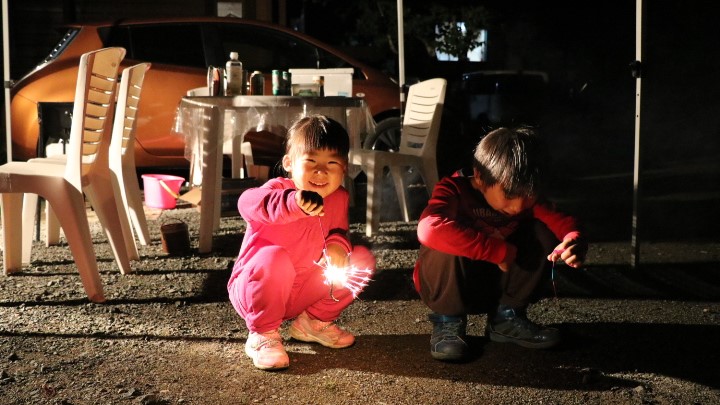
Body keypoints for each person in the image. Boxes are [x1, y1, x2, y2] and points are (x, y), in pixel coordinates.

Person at [413, 126, 588, 362]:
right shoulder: (454, 189)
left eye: (528, 198)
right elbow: (428, 229)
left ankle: (506, 317)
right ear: (480, 176)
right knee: (443, 236)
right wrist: (498, 251)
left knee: (543, 230)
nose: (517, 207)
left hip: (498, 286)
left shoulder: (525, 196)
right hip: (455, 285)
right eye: (508, 194)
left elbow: (564, 223)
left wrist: (573, 241)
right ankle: (448, 320)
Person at [228, 114, 376, 370]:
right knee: (273, 258)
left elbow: (339, 230)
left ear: (344, 168)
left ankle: (313, 322)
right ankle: (263, 335)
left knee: (360, 260)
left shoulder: (338, 197)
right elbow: (247, 203)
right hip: (257, 291)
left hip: (304, 288)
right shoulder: (276, 191)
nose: (321, 171)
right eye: (311, 161)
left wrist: (337, 246)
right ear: (289, 163)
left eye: (332, 162)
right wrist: (293, 203)